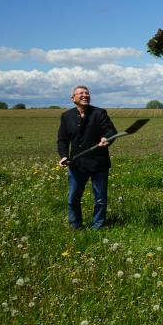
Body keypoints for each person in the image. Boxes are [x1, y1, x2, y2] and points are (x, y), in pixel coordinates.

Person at [57, 85, 118, 230]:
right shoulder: (66, 116)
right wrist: (64, 156)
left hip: (99, 163)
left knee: (100, 199)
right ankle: (75, 226)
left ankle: (98, 226)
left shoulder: (99, 113)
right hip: (77, 164)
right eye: (81, 93)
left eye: (87, 93)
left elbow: (111, 130)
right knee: (73, 199)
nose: (85, 95)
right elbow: (62, 140)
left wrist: (106, 138)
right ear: (73, 99)